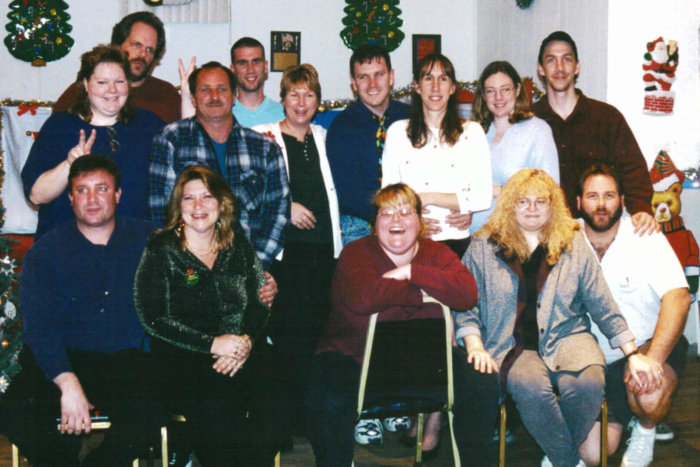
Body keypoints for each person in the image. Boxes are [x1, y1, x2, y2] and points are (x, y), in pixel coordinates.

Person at [455, 168, 661, 467]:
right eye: (523, 201)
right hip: (511, 344)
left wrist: (633, 353)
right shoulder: (483, 244)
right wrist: (475, 345)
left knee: (588, 384)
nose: (532, 208)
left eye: (541, 201)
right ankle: (568, 461)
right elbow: (464, 302)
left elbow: (602, 303)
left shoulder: (573, 242)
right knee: (531, 388)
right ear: (510, 204)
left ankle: (556, 458)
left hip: (569, 336)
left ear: (553, 205)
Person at [0, 155, 163, 466]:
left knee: (149, 412)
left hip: (128, 361)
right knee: (15, 410)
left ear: (118, 195)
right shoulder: (45, 253)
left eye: (102, 189)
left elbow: (196, 266)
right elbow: (39, 330)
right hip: (63, 358)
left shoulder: (151, 240)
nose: (92, 199)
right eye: (82, 190)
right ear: (71, 198)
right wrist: (67, 381)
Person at [308, 183, 478, 466]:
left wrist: (411, 272)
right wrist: (424, 293)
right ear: (375, 224)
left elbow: (467, 294)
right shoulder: (356, 253)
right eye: (386, 213)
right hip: (352, 357)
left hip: (421, 364)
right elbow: (363, 298)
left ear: (420, 222)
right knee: (326, 396)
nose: (396, 219)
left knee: (481, 382)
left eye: (405, 212)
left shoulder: (437, 253)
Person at [134, 165, 279, 465]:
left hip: (241, 350)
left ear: (221, 203)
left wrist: (246, 342)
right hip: (182, 359)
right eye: (189, 198)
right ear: (179, 206)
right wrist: (214, 344)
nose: (198, 206)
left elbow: (260, 301)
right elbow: (152, 316)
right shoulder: (161, 249)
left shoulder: (238, 245)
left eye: (207, 197)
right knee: (218, 408)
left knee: (283, 394)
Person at [574, 165, 690, 467]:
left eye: (609, 196)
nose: (601, 204)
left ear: (622, 201)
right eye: (593, 196)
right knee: (594, 455)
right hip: (593, 363)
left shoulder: (644, 234)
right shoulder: (565, 236)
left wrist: (652, 359)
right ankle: (623, 414)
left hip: (644, 346)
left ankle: (645, 429)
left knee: (649, 391)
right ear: (579, 202)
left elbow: (678, 297)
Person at [149, 61, 289, 305]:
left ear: (234, 96)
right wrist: (190, 269)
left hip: (247, 277)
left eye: (222, 89)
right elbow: (160, 212)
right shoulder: (171, 139)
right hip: (188, 277)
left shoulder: (265, 148)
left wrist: (253, 268)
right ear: (193, 98)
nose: (214, 96)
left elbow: (278, 214)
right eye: (205, 90)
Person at [252, 64, 342, 440]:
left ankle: (309, 421)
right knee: (286, 338)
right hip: (285, 256)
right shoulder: (263, 136)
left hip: (324, 253)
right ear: (283, 99)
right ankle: (283, 424)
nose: (301, 102)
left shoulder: (323, 136)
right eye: (294, 94)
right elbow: (246, 190)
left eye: (309, 95)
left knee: (316, 336)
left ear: (318, 101)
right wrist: (285, 205)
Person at [22, 44, 164, 239]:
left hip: (133, 246)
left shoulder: (148, 125)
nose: (112, 90)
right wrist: (69, 164)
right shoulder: (60, 126)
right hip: (67, 247)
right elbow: (37, 196)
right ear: (86, 84)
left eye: (120, 81)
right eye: (102, 82)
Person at [532, 31, 656, 234]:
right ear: (541, 69)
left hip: (599, 232)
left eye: (567, 59)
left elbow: (634, 171)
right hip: (543, 233)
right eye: (551, 60)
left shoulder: (606, 117)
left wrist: (641, 209)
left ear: (577, 67)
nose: (560, 67)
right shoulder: (529, 120)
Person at [382, 53, 492, 259]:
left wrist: (426, 198)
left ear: (452, 87)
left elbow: (483, 196)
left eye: (443, 79)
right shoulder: (398, 132)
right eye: (428, 78)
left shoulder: (472, 132)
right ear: (417, 86)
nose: (435, 87)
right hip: (410, 242)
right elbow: (389, 196)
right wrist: (413, 218)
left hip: (458, 245)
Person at [326, 44, 410, 245]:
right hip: (361, 223)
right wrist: (387, 217)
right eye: (363, 77)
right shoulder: (341, 128)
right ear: (353, 82)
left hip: (408, 215)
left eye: (379, 74)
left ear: (391, 77)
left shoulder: (412, 118)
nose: (372, 84)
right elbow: (349, 194)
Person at [469, 60, 559, 232]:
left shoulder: (537, 130)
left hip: (516, 235)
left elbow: (549, 189)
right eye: (491, 91)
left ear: (517, 90)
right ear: (483, 95)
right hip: (471, 232)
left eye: (505, 89)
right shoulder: (474, 130)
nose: (498, 97)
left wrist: (495, 190)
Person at [53, 11, 180, 123]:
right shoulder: (83, 91)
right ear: (117, 44)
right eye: (136, 45)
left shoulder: (167, 95)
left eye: (150, 50)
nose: (142, 54)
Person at [231, 37, 285, 127]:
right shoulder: (223, 115)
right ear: (232, 70)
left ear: (266, 67)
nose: (250, 70)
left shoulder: (284, 114)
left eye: (256, 62)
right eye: (243, 63)